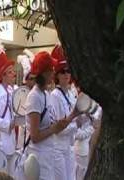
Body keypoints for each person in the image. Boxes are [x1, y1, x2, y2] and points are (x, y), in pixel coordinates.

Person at [25, 51, 80, 180]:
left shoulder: (45, 94)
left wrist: (73, 115)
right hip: (38, 158)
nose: (54, 73)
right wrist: (54, 129)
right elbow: (35, 136)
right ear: (45, 73)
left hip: (47, 155)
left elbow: (53, 126)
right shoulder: (34, 96)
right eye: (52, 69)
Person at [50, 45, 78, 180]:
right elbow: (58, 128)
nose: (66, 74)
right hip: (58, 149)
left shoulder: (72, 94)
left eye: (68, 71)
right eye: (63, 72)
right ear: (57, 75)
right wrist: (76, 124)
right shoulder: (55, 95)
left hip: (70, 146)